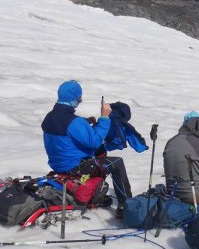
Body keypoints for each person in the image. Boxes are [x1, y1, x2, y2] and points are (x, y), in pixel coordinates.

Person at [41, 80, 133, 217]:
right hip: (75, 167)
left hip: (58, 165)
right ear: (73, 99)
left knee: (100, 156)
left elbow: (65, 128)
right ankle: (126, 206)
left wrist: (85, 122)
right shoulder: (74, 123)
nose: (81, 100)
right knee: (116, 162)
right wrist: (104, 118)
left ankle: (95, 193)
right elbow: (95, 142)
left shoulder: (50, 117)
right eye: (79, 97)